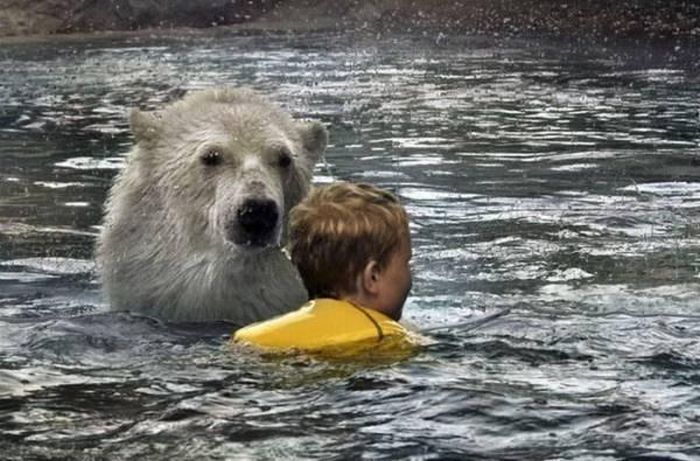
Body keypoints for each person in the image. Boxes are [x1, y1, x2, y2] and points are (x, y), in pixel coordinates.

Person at [232, 181, 419, 358]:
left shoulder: (251, 338)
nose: (410, 276)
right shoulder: (389, 337)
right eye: (406, 263)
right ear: (373, 277)